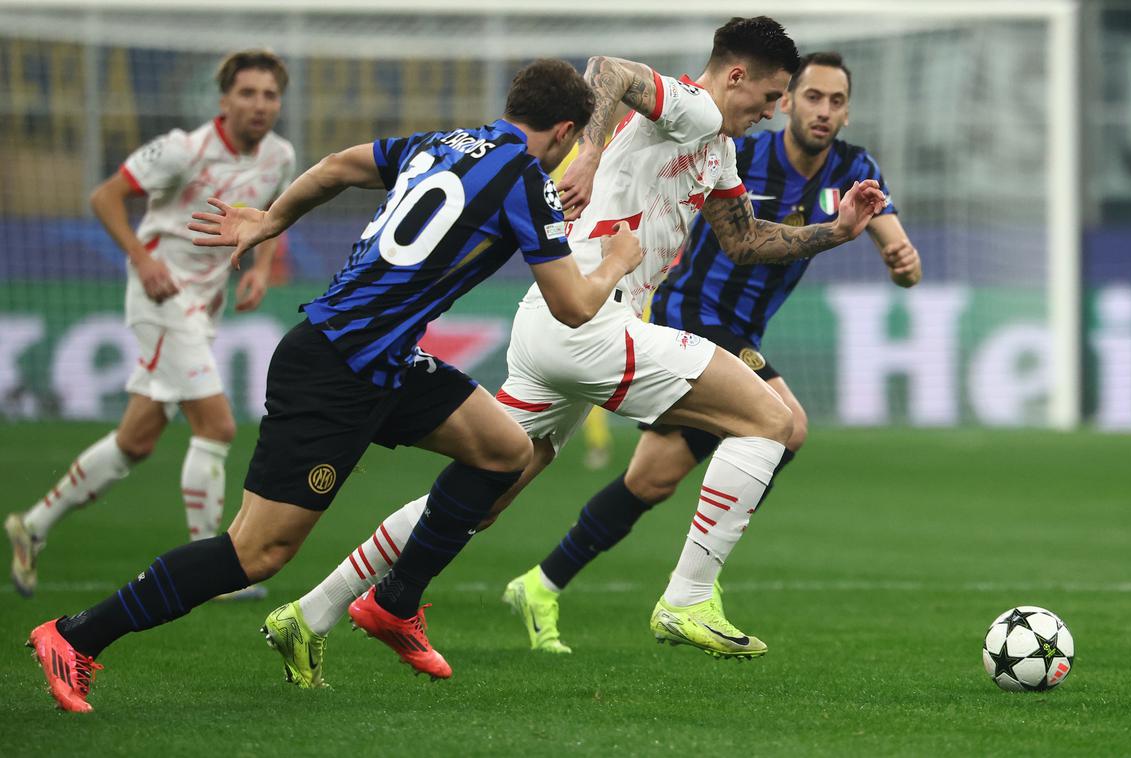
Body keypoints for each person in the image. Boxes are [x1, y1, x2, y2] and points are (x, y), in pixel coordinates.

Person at [265, 17, 889, 690]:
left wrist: (837, 229)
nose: (774, 114)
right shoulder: (692, 104)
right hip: (589, 320)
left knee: (482, 495)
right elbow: (608, 69)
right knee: (770, 420)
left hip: (560, 325)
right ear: (735, 76)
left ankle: (310, 612)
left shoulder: (718, 147)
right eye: (770, 97)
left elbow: (742, 240)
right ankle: (687, 599)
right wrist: (588, 152)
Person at [27, 58, 642, 713]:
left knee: (504, 450)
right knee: (257, 554)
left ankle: (394, 602)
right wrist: (616, 262)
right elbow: (573, 306)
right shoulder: (525, 175)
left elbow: (336, 168)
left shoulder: (441, 142)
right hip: (336, 367)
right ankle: (75, 636)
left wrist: (270, 219)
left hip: (382, 359)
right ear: (566, 131)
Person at [509, 51, 923, 653]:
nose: (823, 111)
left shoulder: (854, 168)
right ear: (786, 103)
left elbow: (891, 242)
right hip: (692, 314)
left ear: (847, 111)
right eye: (811, 97)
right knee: (787, 424)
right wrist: (595, 151)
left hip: (744, 331)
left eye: (836, 102)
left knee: (650, 481)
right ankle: (698, 583)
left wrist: (901, 260)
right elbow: (735, 232)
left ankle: (541, 583)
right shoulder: (741, 147)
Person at [5, 50, 295, 602]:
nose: (260, 105)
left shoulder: (279, 155)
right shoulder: (183, 150)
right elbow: (104, 195)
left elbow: (270, 215)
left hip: (204, 305)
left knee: (136, 440)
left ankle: (33, 525)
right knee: (217, 426)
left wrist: (259, 268)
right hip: (160, 296)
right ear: (223, 100)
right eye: (248, 93)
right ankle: (211, 572)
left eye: (270, 95)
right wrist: (143, 258)